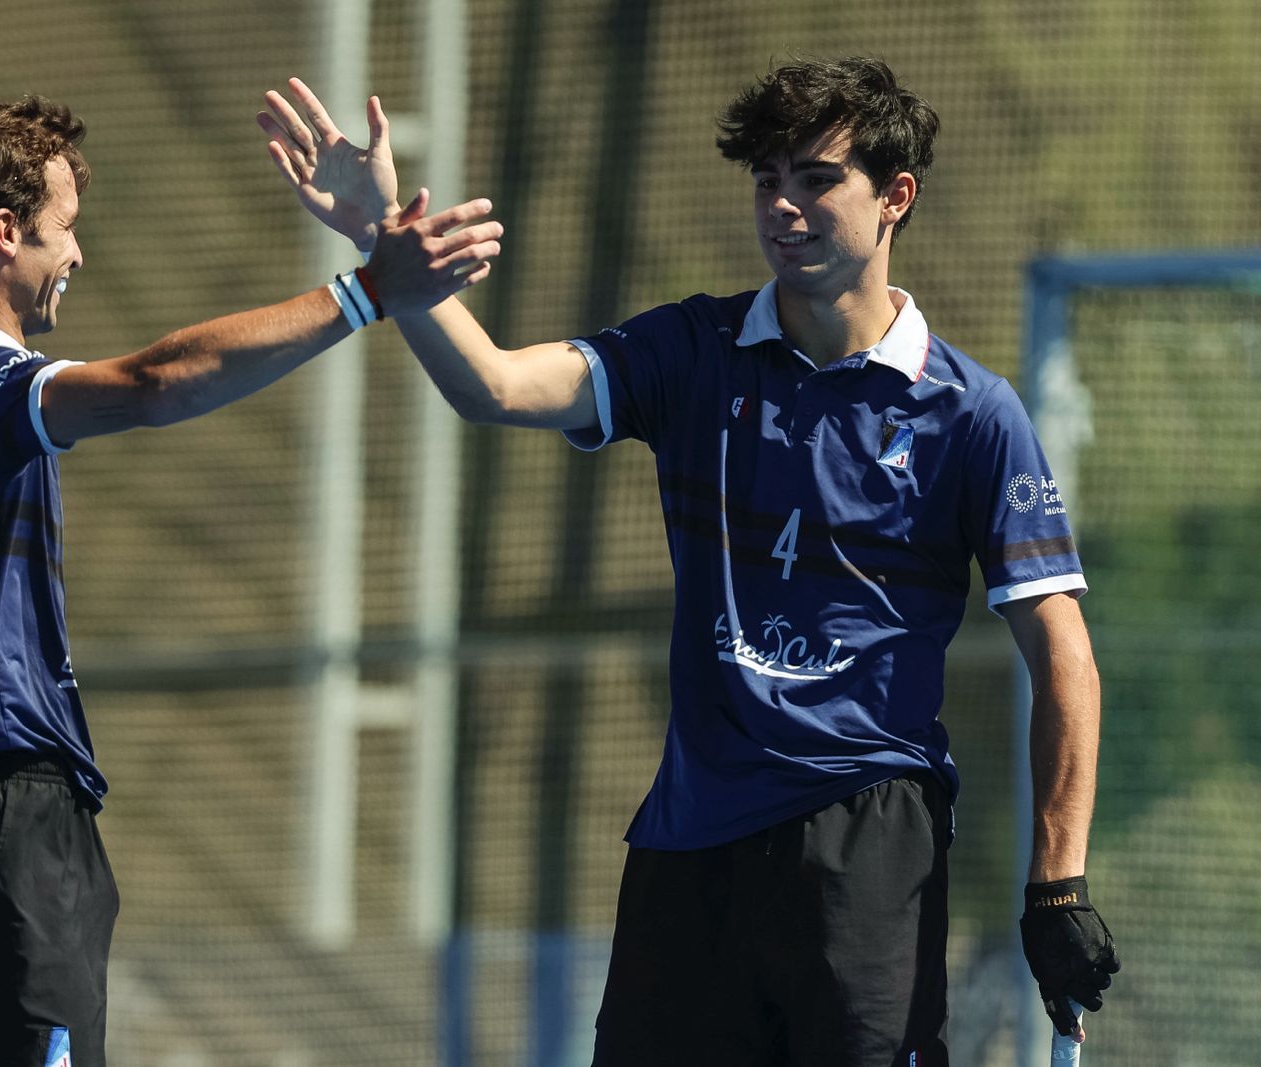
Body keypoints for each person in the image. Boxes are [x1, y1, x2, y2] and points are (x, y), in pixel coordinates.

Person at [259, 58, 1119, 1066]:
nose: (783, 204)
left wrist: (1055, 887)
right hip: (688, 844)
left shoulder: (972, 411)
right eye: (766, 178)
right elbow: (493, 385)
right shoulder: (691, 349)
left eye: (815, 177)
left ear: (895, 197)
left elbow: (1062, 651)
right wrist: (379, 247)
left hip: (868, 835)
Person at [0, 91, 501, 1066]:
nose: (77, 256)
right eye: (65, 231)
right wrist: (363, 290)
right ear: (4, 231)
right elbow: (153, 383)